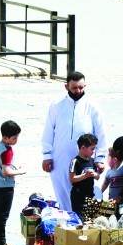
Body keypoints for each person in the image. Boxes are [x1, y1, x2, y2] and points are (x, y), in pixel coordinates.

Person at [41, 71, 107, 212]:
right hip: (60, 158)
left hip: (86, 159)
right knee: (62, 192)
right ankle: (67, 226)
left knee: (86, 193)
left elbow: (100, 133)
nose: (78, 91)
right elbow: (48, 130)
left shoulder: (92, 105)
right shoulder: (57, 105)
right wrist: (47, 156)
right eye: (74, 88)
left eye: (81, 88)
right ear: (66, 87)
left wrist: (100, 158)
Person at [0, 120, 26, 245]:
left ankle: (1, 242)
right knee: (2, 217)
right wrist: (20, 171)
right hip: (4, 187)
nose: (16, 140)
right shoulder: (7, 151)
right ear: (6, 137)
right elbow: (6, 171)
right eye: (14, 138)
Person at [68, 134, 99, 216]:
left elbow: (97, 176)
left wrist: (94, 174)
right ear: (83, 148)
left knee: (89, 219)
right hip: (78, 196)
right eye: (92, 149)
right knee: (81, 218)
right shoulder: (76, 161)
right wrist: (85, 175)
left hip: (90, 194)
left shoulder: (92, 161)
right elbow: (72, 178)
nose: (93, 151)